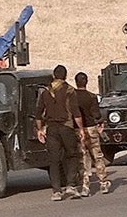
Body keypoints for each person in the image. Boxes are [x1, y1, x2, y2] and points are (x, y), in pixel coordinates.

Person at [35, 65, 83, 200]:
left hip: (51, 129)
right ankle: (71, 186)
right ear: (65, 76)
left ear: (54, 76)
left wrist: (39, 130)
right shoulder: (69, 90)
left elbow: (38, 113)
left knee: (54, 160)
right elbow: (75, 112)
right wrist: (80, 129)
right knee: (72, 156)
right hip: (66, 127)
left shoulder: (46, 92)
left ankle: (56, 191)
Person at [73, 70, 111, 194]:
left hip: (78, 130)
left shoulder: (72, 97)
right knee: (97, 156)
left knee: (82, 158)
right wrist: (100, 123)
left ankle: (85, 186)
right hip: (91, 128)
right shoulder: (91, 96)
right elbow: (96, 114)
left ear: (76, 82)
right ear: (87, 82)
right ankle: (103, 183)